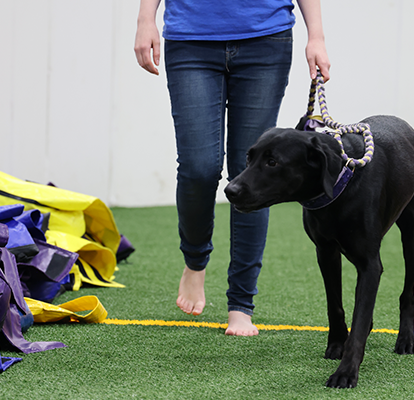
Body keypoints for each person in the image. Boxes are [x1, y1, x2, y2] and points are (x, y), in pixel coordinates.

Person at [134, 0, 330, 336]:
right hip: (190, 38)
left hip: (266, 38)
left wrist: (317, 35)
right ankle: (195, 261)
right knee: (199, 168)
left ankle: (241, 305)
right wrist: (145, 19)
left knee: (256, 177)